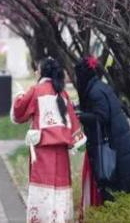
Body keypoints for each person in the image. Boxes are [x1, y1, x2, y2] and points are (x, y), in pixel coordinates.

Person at [11, 57, 86, 223]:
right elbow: (72, 123)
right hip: (61, 152)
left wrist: (19, 95)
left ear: (42, 71)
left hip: (43, 150)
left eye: (37, 69)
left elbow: (18, 112)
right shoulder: (62, 93)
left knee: (42, 188)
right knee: (60, 188)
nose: (36, 71)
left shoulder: (36, 90)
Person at [74, 56, 130, 208]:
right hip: (119, 142)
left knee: (111, 184)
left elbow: (101, 117)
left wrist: (79, 116)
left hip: (112, 145)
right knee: (123, 183)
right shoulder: (100, 86)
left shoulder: (94, 92)